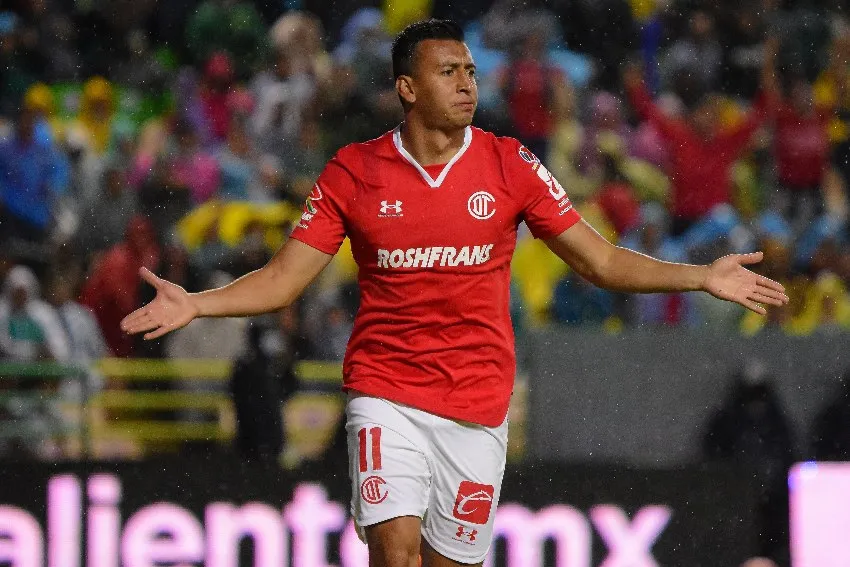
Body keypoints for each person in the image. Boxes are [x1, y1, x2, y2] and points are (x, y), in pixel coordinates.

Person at [121, 20, 789, 567]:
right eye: (450, 72)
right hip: (386, 391)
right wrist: (198, 303)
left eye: (470, 71)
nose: (468, 83)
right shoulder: (355, 171)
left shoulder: (510, 164)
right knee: (395, 548)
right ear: (408, 88)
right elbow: (284, 279)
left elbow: (601, 259)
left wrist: (701, 275)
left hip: (477, 402)